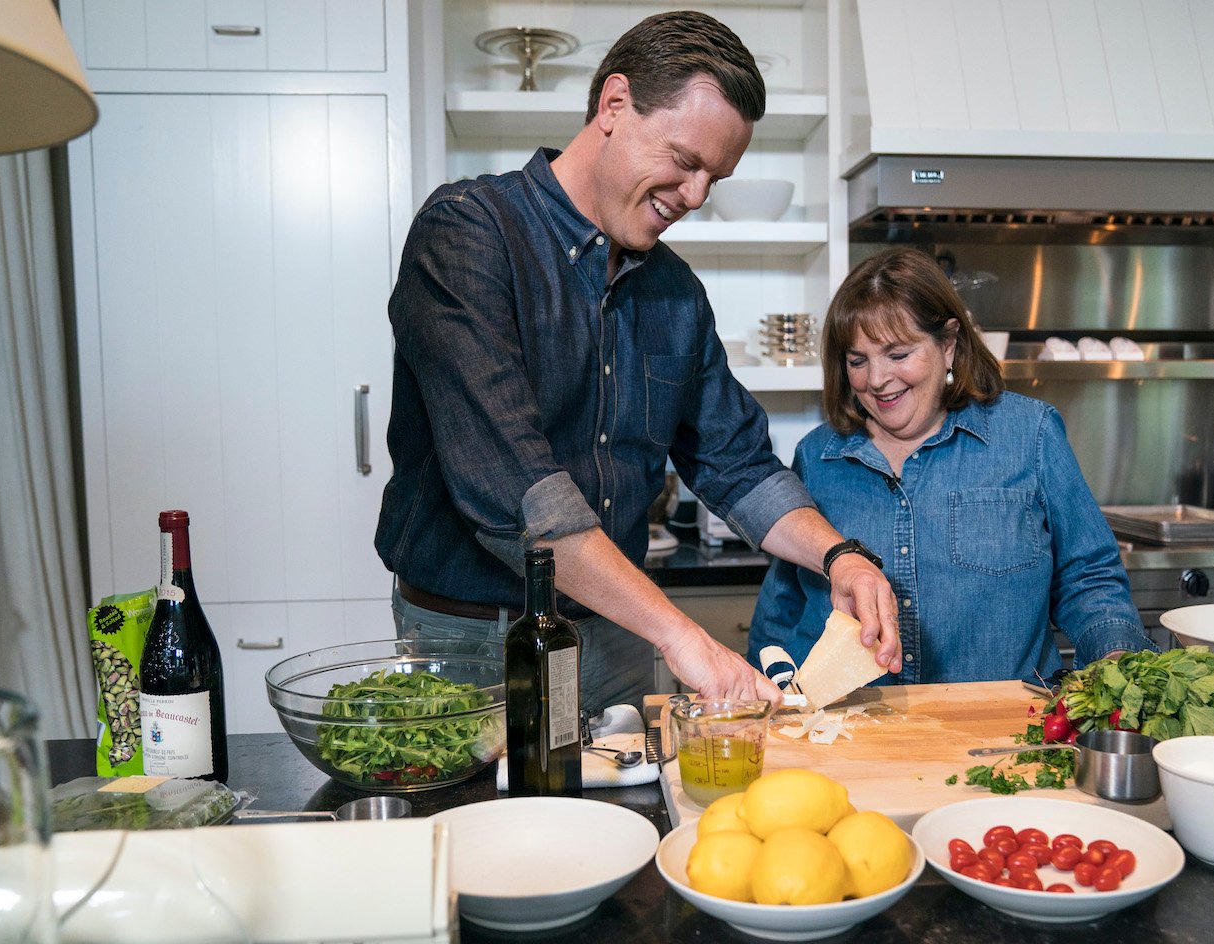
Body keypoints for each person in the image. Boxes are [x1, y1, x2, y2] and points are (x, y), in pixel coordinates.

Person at [376, 11, 900, 714]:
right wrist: (681, 635)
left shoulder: (675, 292)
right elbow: (523, 501)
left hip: (615, 638)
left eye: (715, 177)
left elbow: (738, 465)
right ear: (615, 104)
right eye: (686, 161)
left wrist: (842, 557)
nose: (694, 197)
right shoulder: (469, 234)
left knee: (623, 818)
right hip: (470, 645)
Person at [749, 248, 1153, 684]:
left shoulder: (1029, 435)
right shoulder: (817, 456)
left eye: (898, 355)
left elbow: (1089, 577)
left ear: (948, 344)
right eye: (857, 361)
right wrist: (764, 694)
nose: (878, 379)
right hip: (855, 736)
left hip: (1005, 734)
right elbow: (783, 607)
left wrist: (1115, 657)